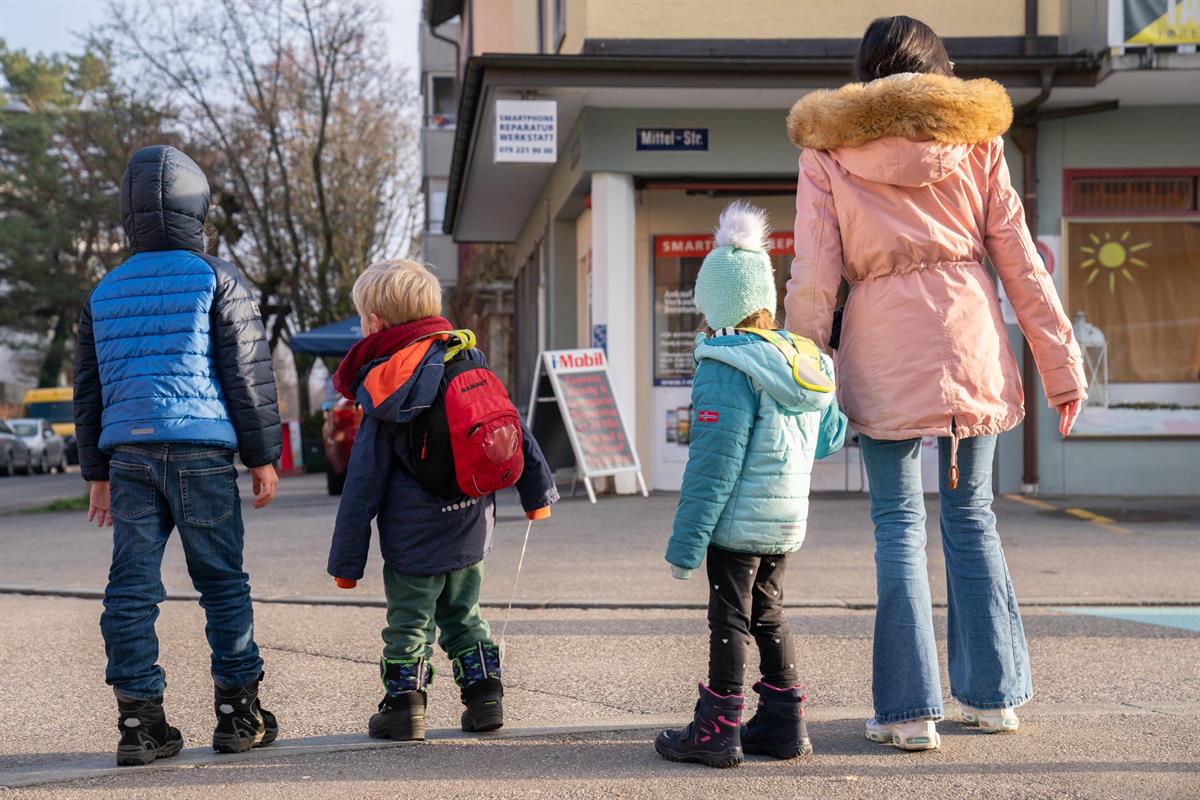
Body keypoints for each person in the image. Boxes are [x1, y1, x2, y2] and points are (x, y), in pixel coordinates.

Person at [784, 16, 1087, 751]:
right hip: (968, 340)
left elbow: (816, 271)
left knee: (897, 526)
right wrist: (1060, 364)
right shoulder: (977, 139)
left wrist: (797, 371)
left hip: (883, 346)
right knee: (972, 517)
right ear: (939, 69)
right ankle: (992, 699)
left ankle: (908, 712)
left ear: (866, 70)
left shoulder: (827, 147)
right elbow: (1018, 259)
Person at [74, 145, 283, 766]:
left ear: (128, 216)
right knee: (222, 583)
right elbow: (246, 374)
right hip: (202, 452)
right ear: (199, 209)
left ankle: (140, 723)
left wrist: (96, 472)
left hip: (130, 456)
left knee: (131, 590)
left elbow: (89, 388)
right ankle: (237, 715)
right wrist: (262, 455)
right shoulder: (216, 278)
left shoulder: (104, 290)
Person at [327, 258, 558, 741]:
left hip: (413, 542)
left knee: (409, 623)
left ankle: (404, 710)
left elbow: (362, 484)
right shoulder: (466, 360)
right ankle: (485, 699)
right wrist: (537, 495)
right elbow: (515, 425)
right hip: (471, 528)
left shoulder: (386, 386)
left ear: (374, 323)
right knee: (465, 615)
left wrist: (347, 563)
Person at [656, 202, 848, 768]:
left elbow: (714, 465)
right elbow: (826, 437)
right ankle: (786, 723)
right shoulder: (799, 359)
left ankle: (717, 729)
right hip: (785, 520)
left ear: (715, 304)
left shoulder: (724, 365)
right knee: (768, 613)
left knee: (729, 618)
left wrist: (687, 543)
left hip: (738, 522)